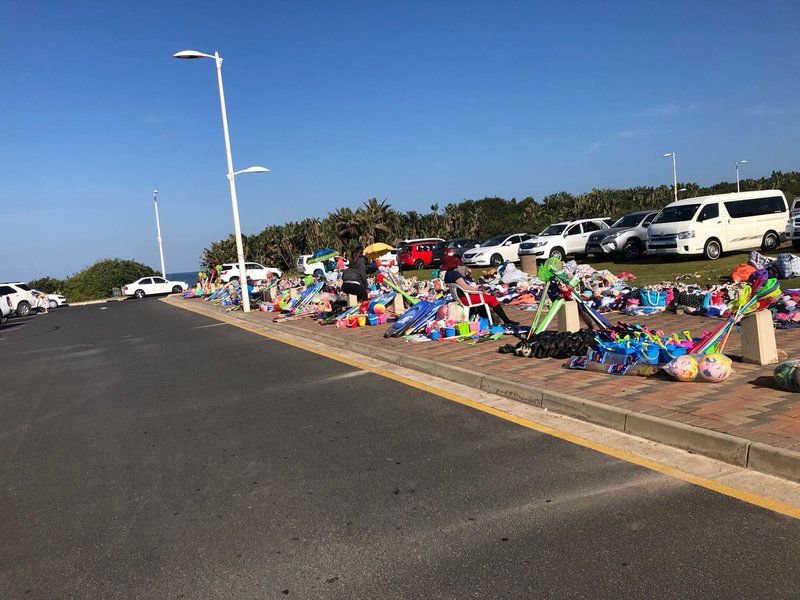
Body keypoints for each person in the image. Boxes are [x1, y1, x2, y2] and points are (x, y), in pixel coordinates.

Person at [442, 256, 518, 325]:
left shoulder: (447, 275)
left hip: (459, 298)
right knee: (492, 299)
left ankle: (488, 319)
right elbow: (464, 287)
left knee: (484, 298)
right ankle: (506, 320)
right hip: (466, 298)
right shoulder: (455, 274)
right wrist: (475, 289)